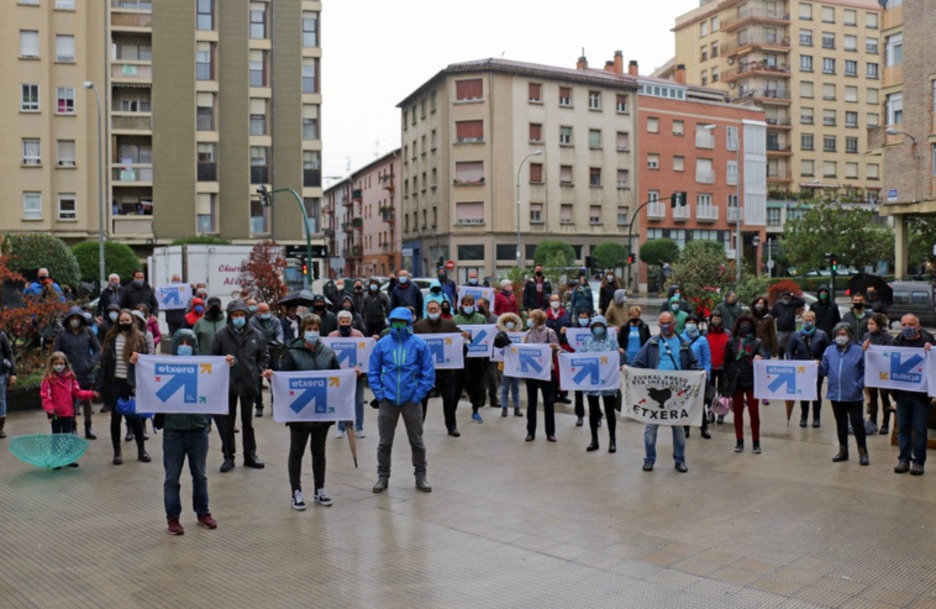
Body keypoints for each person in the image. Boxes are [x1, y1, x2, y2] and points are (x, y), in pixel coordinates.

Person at [155, 329, 219, 534]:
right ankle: (173, 518)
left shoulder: (203, 368)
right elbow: (138, 381)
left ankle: (203, 512)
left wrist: (230, 365)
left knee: (200, 475)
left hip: (198, 430)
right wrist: (134, 365)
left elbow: (223, 381)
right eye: (181, 343)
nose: (185, 347)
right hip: (173, 431)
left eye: (188, 344)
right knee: (172, 477)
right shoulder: (165, 368)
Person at [368, 307, 435, 493]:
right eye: (395, 321)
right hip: (388, 400)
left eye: (402, 321)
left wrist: (418, 395)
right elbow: (373, 370)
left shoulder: (419, 344)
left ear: (408, 323)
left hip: (411, 401)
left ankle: (421, 475)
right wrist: (380, 394)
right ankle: (383, 477)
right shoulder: (382, 344)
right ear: (390, 322)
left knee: (417, 441)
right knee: (384, 442)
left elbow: (428, 373)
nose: (398, 324)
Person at [280, 315, 340, 509]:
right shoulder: (292, 354)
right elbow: (283, 380)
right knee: (297, 451)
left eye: (315, 329)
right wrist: (273, 377)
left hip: (321, 412)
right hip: (300, 413)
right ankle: (296, 492)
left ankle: (319, 489)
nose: (312, 332)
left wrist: (354, 375)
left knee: (319, 451)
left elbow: (338, 378)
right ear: (303, 331)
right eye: (309, 329)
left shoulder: (328, 353)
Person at [630, 311, 700, 473]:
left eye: (668, 322)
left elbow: (693, 363)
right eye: (662, 323)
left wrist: (700, 373)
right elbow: (638, 362)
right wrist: (628, 371)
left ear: (675, 324)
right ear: (658, 325)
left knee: (678, 429)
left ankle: (680, 460)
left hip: (677, 393)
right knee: (651, 429)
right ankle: (649, 459)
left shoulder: (683, 343)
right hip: (655, 395)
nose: (666, 326)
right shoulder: (652, 343)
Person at [210, 300, 272, 473]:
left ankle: (250, 455)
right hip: (228, 385)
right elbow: (213, 357)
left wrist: (257, 372)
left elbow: (264, 355)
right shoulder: (221, 335)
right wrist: (223, 363)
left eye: (241, 315)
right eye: (235, 315)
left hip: (248, 383)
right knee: (227, 423)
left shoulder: (256, 335)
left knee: (248, 422)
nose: (239, 318)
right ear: (230, 317)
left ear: (246, 316)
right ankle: (228, 456)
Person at [98, 309, 151, 465]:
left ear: (132, 321)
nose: (125, 323)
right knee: (115, 419)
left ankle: (141, 450)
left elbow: (146, 360)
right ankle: (117, 452)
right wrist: (100, 385)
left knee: (136, 419)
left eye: (127, 320)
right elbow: (104, 362)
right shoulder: (111, 338)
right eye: (122, 321)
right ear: (118, 322)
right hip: (115, 382)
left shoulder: (139, 337)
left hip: (132, 383)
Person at [885, 314, 934, 475]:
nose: (907, 327)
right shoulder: (896, 343)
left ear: (918, 326)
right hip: (901, 395)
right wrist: (868, 349)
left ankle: (918, 461)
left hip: (921, 396)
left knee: (920, 430)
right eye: (904, 324)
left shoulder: (928, 343)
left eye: (911, 324)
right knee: (903, 429)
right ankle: (904, 459)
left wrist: (931, 350)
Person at [821, 323, 868, 465]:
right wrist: (817, 366)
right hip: (836, 395)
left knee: (857, 423)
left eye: (843, 334)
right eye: (838, 335)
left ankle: (863, 452)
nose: (841, 337)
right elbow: (824, 370)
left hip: (854, 395)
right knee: (840, 423)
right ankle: (843, 451)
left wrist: (859, 385)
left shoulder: (859, 351)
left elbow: (866, 370)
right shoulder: (829, 351)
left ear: (850, 336)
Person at [413, 300, 462, 436]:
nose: (433, 311)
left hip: (446, 371)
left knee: (449, 399)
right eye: (431, 309)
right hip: (425, 372)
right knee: (422, 400)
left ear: (440, 310)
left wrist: (464, 335)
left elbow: (458, 337)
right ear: (426, 310)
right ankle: (418, 427)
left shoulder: (449, 324)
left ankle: (451, 427)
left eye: (435, 309)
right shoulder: (419, 326)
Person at [41, 351, 98, 468]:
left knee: (67, 436)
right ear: (52, 364)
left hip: (67, 412)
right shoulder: (48, 379)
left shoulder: (70, 377)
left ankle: (68, 458)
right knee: (56, 437)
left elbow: (77, 392)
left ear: (65, 364)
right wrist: (50, 410)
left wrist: (91, 394)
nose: (59, 366)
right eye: (56, 363)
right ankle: (56, 459)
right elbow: (46, 396)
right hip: (55, 413)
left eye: (61, 363)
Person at [53, 306, 101, 440]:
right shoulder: (62, 333)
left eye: (77, 318)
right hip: (69, 373)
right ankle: (72, 426)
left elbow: (97, 349)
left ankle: (88, 426)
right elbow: (56, 352)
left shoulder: (88, 332)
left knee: (87, 399)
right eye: (72, 318)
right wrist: (62, 366)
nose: (75, 320)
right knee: (70, 401)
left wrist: (91, 363)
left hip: (86, 371)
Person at [725, 314, 769, 454]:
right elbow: (726, 363)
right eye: (742, 323)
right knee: (738, 412)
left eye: (747, 324)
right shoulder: (731, 342)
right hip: (737, 380)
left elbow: (763, 356)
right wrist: (729, 380)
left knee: (754, 412)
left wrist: (760, 356)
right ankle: (739, 441)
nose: (744, 326)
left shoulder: (757, 341)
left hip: (752, 380)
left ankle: (756, 442)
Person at [580, 316, 619, 453]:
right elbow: (580, 357)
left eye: (600, 325)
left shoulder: (612, 341)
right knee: (593, 411)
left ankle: (612, 440)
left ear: (604, 326)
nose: (597, 328)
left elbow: (617, 359)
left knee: (609, 411)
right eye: (595, 325)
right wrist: (564, 354)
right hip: (592, 381)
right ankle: (594, 440)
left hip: (608, 381)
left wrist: (621, 354)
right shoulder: (587, 341)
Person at [785, 310, 830, 428]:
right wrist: (791, 363)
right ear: (802, 320)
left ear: (814, 321)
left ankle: (816, 418)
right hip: (802, 370)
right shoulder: (796, 335)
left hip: (817, 369)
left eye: (810, 320)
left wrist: (822, 362)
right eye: (806, 320)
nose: (808, 322)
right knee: (804, 394)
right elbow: (789, 350)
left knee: (816, 393)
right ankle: (803, 417)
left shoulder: (822, 335)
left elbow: (828, 351)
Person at [521, 309, 560, 442]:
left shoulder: (549, 332)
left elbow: (558, 349)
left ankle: (550, 432)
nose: (529, 320)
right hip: (531, 372)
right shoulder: (528, 333)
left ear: (537, 319)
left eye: (531, 318)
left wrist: (555, 348)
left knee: (548, 402)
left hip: (546, 371)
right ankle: (530, 431)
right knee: (531, 402)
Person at [452, 294, 490, 423]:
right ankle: (452, 413)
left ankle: (475, 410)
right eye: (466, 304)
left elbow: (487, 334)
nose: (468, 306)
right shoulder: (455, 319)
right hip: (460, 357)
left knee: (476, 385)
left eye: (470, 304)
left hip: (476, 358)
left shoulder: (481, 318)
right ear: (461, 305)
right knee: (457, 385)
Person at [329, 311, 367, 439]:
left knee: (359, 402)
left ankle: (359, 427)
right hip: (341, 377)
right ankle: (341, 427)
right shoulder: (332, 336)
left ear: (351, 322)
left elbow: (365, 351)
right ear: (338, 322)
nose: (345, 323)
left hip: (357, 375)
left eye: (347, 321)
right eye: (342, 321)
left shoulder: (358, 335)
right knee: (342, 401)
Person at [249, 302, 285, 418]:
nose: (266, 313)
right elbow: (254, 338)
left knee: (275, 381)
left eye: (267, 310)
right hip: (258, 356)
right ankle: (259, 406)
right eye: (263, 311)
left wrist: (276, 342)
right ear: (258, 312)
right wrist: (265, 344)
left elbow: (280, 334)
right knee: (257, 383)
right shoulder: (252, 322)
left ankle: (275, 405)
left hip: (273, 354)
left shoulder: (275, 321)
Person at [861, 313, 893, 434]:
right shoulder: (866, 335)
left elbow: (890, 352)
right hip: (871, 370)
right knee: (872, 397)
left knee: (884, 397)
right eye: (868, 324)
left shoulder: (887, 337)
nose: (869, 326)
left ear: (879, 325)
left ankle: (885, 424)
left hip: (883, 371)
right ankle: (872, 421)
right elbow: (861, 350)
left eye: (872, 324)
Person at [682, 315, 712, 440]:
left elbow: (707, 358)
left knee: (700, 403)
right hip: (685, 376)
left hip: (699, 375)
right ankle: (685, 428)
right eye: (689, 322)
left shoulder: (702, 340)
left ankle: (703, 428)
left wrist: (707, 373)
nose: (691, 324)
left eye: (693, 322)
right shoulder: (680, 338)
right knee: (685, 402)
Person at [495, 312, 523, 417]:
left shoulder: (520, 335)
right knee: (504, 388)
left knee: (516, 388)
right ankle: (504, 408)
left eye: (512, 322)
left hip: (516, 365)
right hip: (504, 365)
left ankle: (517, 408)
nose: (510, 324)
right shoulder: (500, 335)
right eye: (507, 322)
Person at [705, 311, 731, 425]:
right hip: (710, 366)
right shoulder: (705, 334)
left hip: (723, 366)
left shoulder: (727, 333)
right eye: (714, 319)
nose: (716, 321)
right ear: (711, 320)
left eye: (718, 319)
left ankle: (721, 414)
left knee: (723, 392)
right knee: (710, 392)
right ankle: (710, 413)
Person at [546, 294, 572, 405]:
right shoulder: (545, 314)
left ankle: (563, 394)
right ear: (549, 302)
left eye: (557, 300)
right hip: (550, 345)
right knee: (552, 370)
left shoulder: (566, 313)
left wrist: (566, 330)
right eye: (553, 300)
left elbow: (571, 327)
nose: (555, 302)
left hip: (563, 344)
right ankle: (553, 394)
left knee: (563, 369)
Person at [477, 297, 501, 410]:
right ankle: (481, 398)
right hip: (479, 352)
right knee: (480, 377)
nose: (478, 307)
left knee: (492, 376)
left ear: (486, 305)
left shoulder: (495, 318)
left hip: (491, 352)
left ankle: (493, 398)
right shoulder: (477, 318)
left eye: (480, 305)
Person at [770, 289, 806, 353]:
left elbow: (802, 301)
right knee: (780, 347)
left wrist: (793, 296)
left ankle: (790, 357)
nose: (786, 299)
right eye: (785, 297)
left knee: (791, 347)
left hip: (791, 330)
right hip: (781, 330)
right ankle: (781, 357)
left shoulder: (793, 304)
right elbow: (772, 315)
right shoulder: (778, 304)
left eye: (788, 297)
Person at [0, 328, 15, 439]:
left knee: (1, 401)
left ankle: (0, 429)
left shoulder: (1, 335)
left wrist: (13, 373)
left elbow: (9, 354)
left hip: (0, 374)